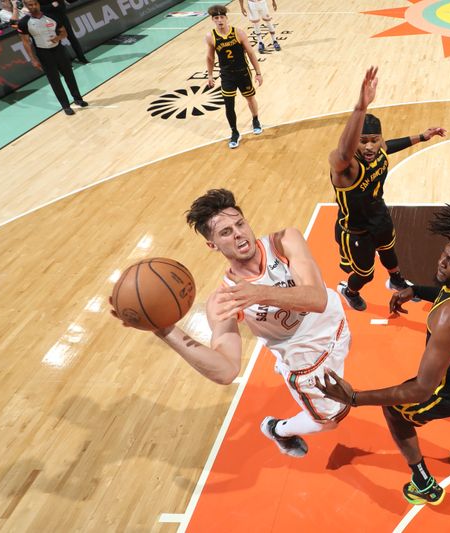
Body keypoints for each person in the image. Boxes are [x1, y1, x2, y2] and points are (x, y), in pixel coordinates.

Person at [111, 189, 351, 458]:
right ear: (212, 245)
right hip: (306, 361)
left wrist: (260, 293)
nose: (238, 233)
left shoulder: (284, 241)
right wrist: (164, 330)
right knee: (328, 421)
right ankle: (278, 429)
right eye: (225, 232)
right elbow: (226, 371)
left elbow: (317, 299)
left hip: (335, 324)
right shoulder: (223, 301)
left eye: (240, 224)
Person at [317, 206, 450, 505]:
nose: (442, 263)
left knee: (395, 411)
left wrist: (354, 398)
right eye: (444, 254)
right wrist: (415, 290)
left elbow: (422, 388)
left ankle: (423, 482)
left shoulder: (449, 318)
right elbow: (448, 290)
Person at [329, 67, 447, 311]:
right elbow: (343, 151)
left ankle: (395, 280)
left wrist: (422, 137)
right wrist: (360, 109)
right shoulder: (346, 168)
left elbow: (389, 145)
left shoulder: (379, 149)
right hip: (357, 230)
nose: (371, 146)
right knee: (365, 275)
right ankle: (349, 291)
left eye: (374, 140)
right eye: (363, 142)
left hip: (379, 216)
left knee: (390, 252)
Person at [205, 4, 263, 150]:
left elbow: (250, 53)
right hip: (227, 75)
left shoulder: (238, 33)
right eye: (216, 18)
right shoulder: (210, 36)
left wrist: (258, 73)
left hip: (242, 72)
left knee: (250, 98)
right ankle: (234, 132)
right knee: (229, 105)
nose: (219, 20)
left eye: (222, 17)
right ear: (212, 20)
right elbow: (210, 58)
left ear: (226, 18)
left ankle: (255, 119)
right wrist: (210, 75)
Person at [17, 0, 87, 115]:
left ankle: (78, 99)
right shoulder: (24, 22)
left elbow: (64, 33)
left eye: (35, 4)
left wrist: (58, 38)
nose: (34, 6)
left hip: (59, 50)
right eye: (30, 5)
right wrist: (33, 59)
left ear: (39, 4)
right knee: (55, 81)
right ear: (26, 6)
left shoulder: (52, 16)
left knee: (69, 75)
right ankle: (65, 106)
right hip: (43, 54)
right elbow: (25, 42)